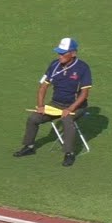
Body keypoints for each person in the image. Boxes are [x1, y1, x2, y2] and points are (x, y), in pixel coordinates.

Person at [14, 37, 93, 167]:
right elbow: (43, 87)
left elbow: (84, 94)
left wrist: (70, 109)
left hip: (76, 106)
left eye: (63, 53)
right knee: (33, 118)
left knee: (67, 120)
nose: (59, 56)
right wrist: (41, 106)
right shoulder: (54, 65)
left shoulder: (83, 68)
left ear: (73, 53)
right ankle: (29, 147)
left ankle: (69, 153)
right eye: (59, 53)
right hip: (56, 104)